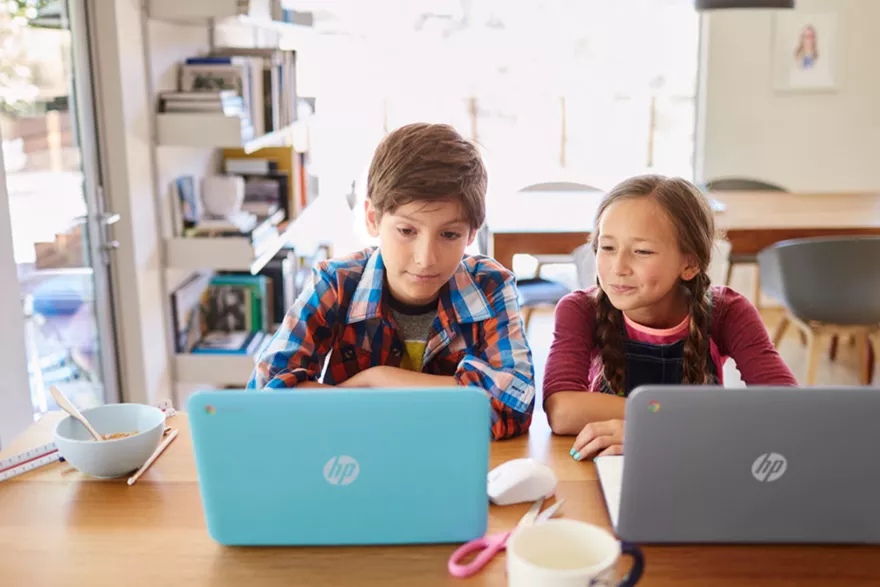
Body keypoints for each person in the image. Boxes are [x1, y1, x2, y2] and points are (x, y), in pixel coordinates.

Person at [248, 122, 536, 440]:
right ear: (373, 219)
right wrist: (460, 394)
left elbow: (514, 403)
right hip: (352, 463)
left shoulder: (491, 286)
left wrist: (377, 381)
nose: (426, 258)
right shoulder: (337, 283)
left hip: (450, 465)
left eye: (449, 234)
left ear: (471, 234)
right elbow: (267, 395)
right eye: (407, 231)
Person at [542, 174, 797, 459]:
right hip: (609, 463)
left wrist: (653, 428)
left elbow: (785, 407)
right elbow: (563, 411)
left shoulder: (728, 311)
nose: (618, 267)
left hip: (700, 458)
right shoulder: (580, 309)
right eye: (608, 247)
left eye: (642, 251)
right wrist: (676, 417)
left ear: (690, 264)